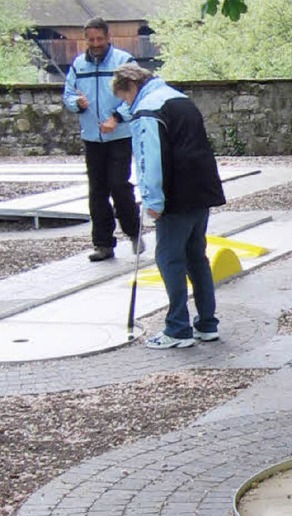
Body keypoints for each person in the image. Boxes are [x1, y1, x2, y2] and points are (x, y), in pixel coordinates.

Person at [112, 63, 226, 349]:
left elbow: (149, 157)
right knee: (196, 257)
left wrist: (152, 200)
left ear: (132, 87)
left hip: (175, 194)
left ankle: (177, 328)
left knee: (169, 258)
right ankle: (207, 323)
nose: (126, 104)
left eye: (124, 97)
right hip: (202, 188)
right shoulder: (178, 98)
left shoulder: (147, 110)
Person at [63, 17, 143, 262]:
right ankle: (103, 243)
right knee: (97, 191)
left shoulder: (124, 61)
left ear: (108, 37)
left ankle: (133, 231)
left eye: (100, 38)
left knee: (119, 185)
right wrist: (77, 103)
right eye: (91, 39)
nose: (95, 43)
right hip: (92, 138)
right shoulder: (78, 65)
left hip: (119, 136)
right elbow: (67, 95)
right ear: (85, 40)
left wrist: (116, 118)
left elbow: (138, 97)